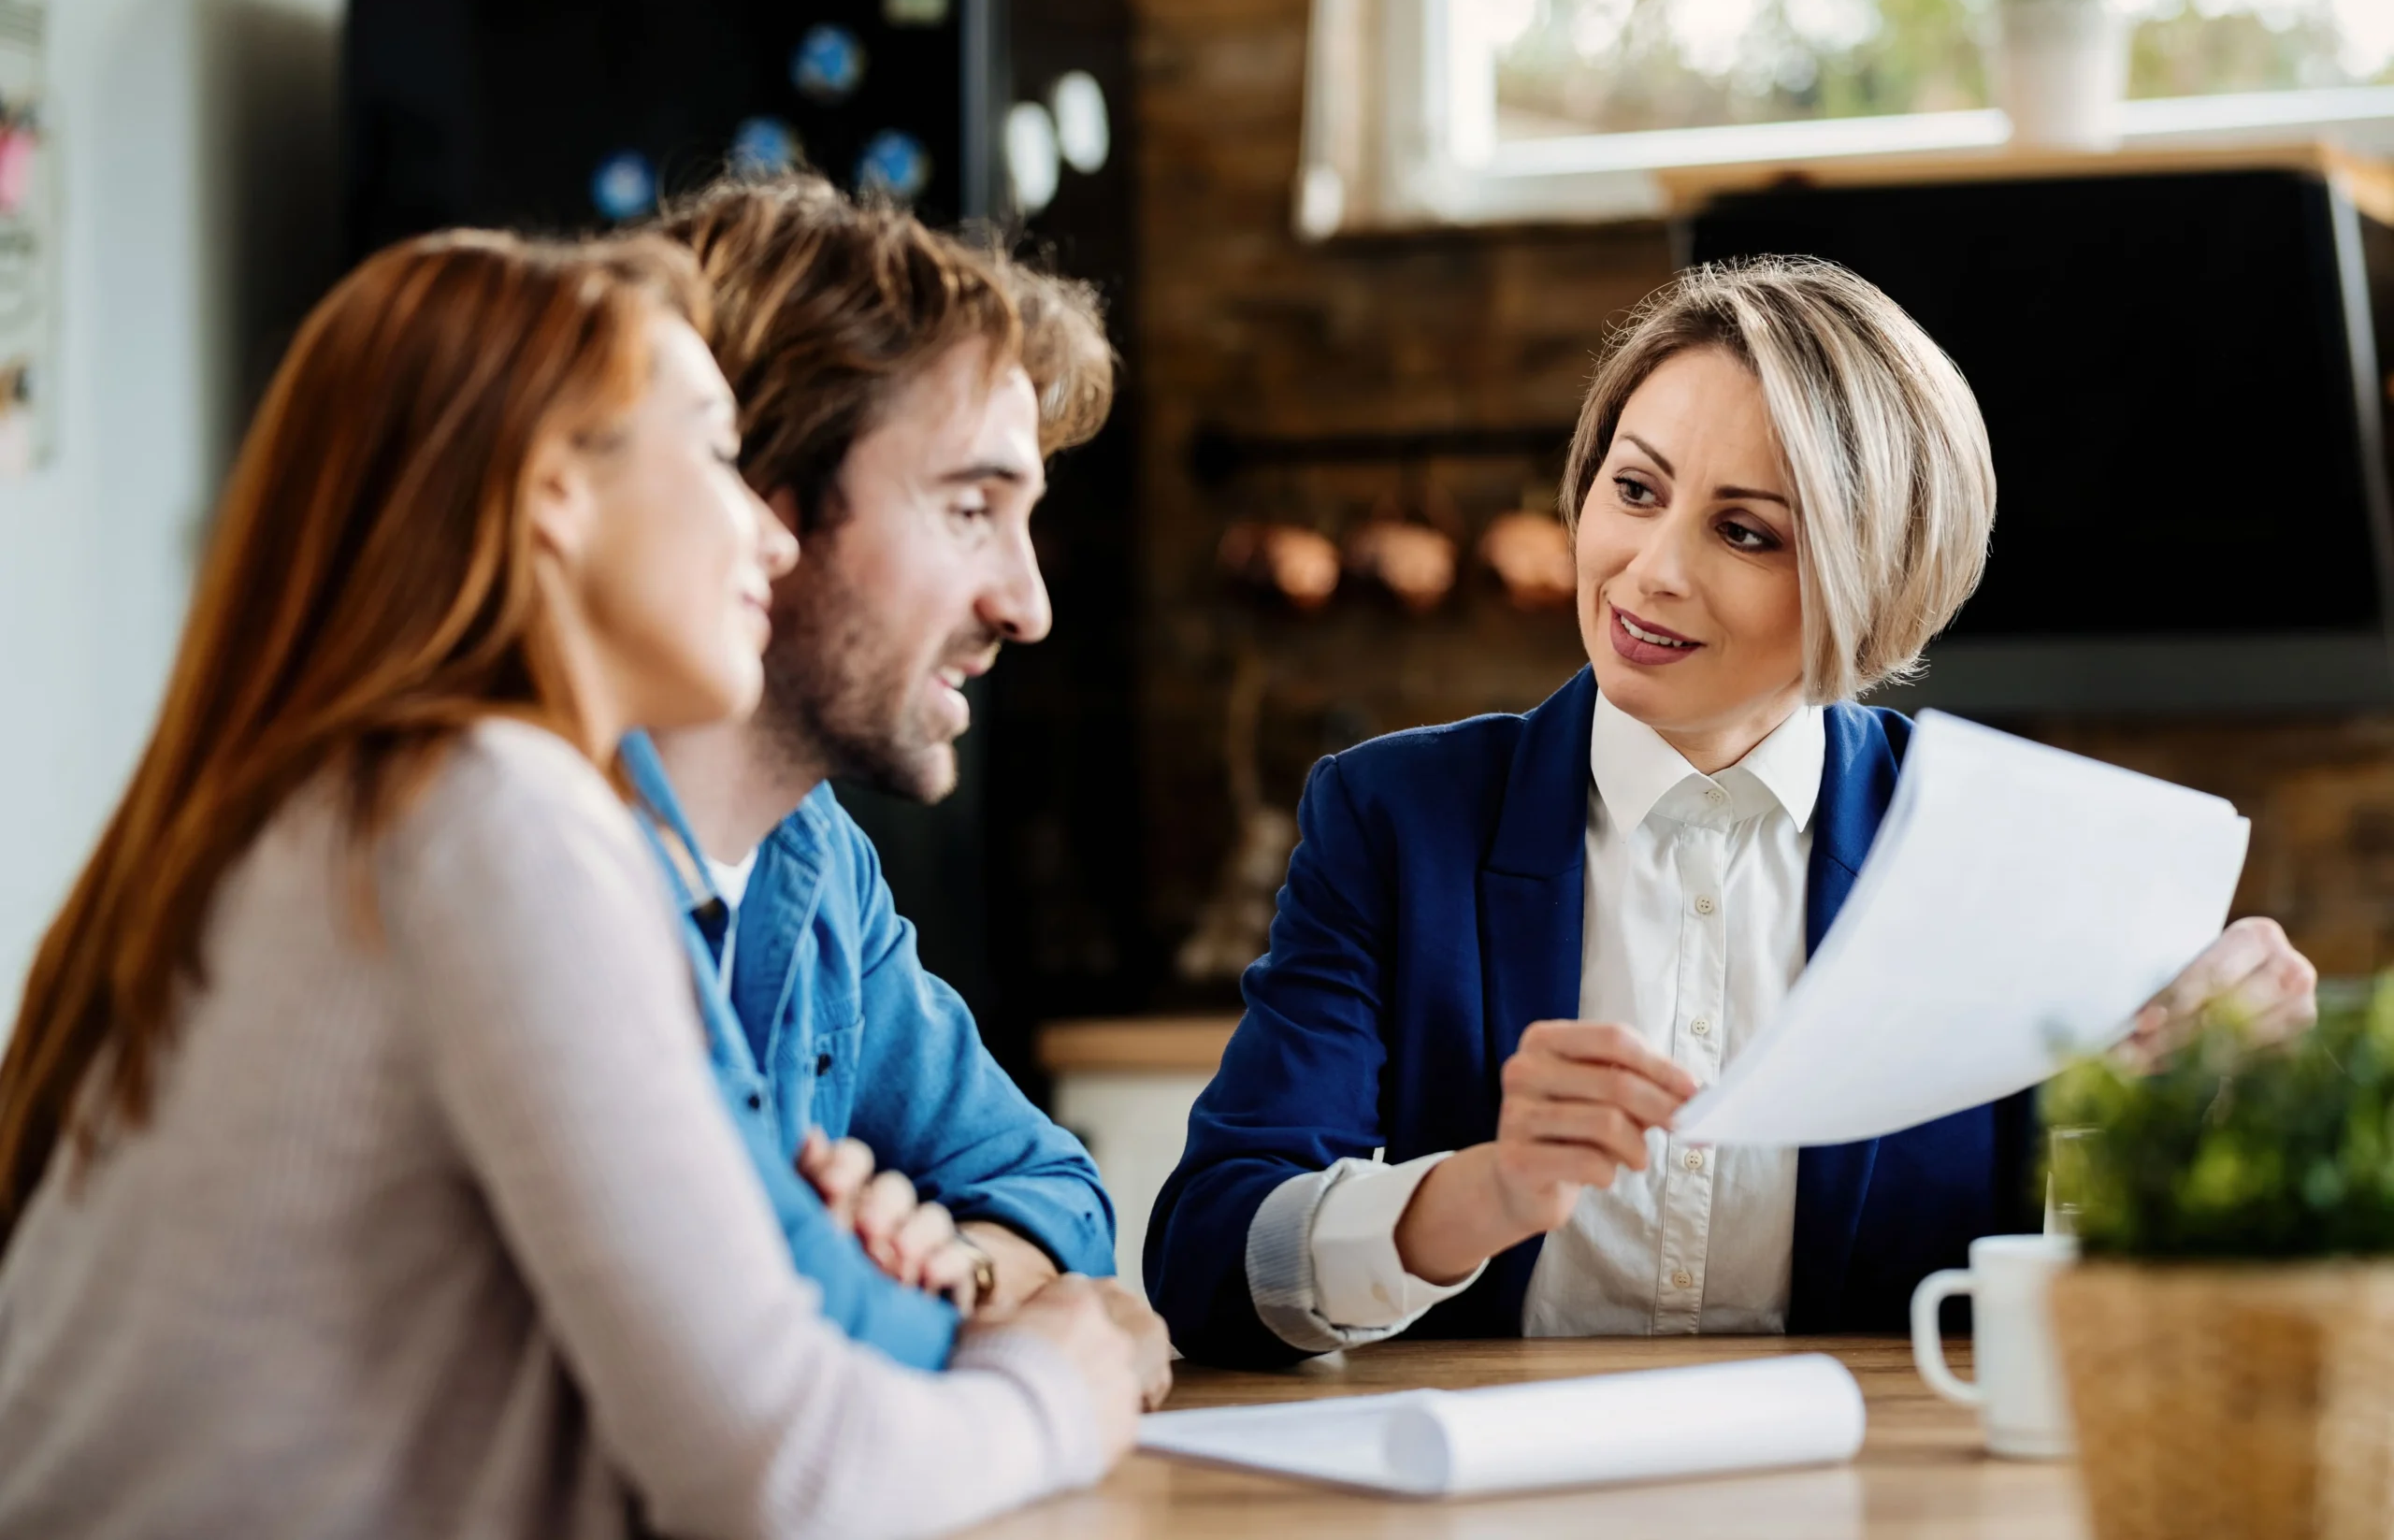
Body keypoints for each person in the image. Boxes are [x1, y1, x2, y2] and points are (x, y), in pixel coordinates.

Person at [0, 230, 1139, 1537]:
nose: (763, 541)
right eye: (716, 457)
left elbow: (802, 1327)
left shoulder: (391, 800)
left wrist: (903, 1276)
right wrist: (1057, 1371)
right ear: (560, 497)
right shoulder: (495, 812)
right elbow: (795, 1467)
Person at [1145, 258, 2321, 1367]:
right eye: (1635, 489)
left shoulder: (1995, 846)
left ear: (1873, 579)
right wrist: (1476, 1195)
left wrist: (2210, 1101)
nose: (1649, 568)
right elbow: (1205, 1260)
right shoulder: (1394, 819)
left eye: (1744, 530)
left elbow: (2112, 1284)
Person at [632, 174, 1167, 1397]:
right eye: (970, 507)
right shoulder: (557, 857)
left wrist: (963, 1270)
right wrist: (1049, 1339)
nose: (1026, 607)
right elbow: (763, 1363)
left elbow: (1048, 1182)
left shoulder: (813, 863)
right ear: (755, 498)